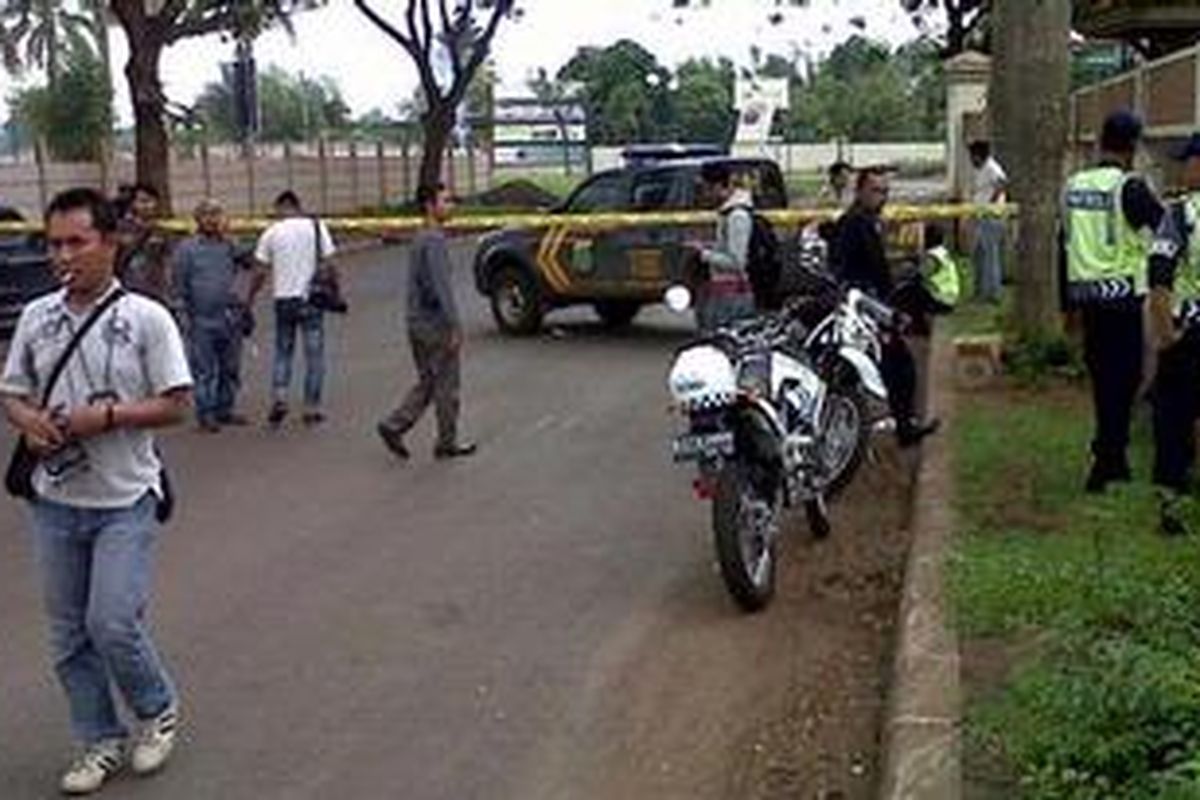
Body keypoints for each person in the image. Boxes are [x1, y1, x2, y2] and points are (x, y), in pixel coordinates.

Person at [0, 188, 192, 795]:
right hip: (55, 503)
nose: (63, 255)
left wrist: (106, 418)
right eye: (54, 243)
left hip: (125, 501)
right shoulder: (37, 317)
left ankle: (157, 707)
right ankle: (98, 740)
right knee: (67, 635)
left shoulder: (146, 319)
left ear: (110, 243)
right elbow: (13, 390)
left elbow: (177, 405)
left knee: (111, 620)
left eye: (77, 242)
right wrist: (26, 420)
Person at [1061, 110, 1165, 494]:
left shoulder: (1072, 185)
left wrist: (1066, 308)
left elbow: (1064, 245)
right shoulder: (1130, 187)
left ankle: (1112, 457)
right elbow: (1164, 228)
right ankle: (1107, 459)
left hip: (1086, 299)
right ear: (1132, 147)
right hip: (1121, 299)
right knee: (1126, 380)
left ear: (1102, 142)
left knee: (1105, 380)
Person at [830, 166, 939, 447]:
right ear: (861, 191)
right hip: (863, 308)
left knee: (892, 366)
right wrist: (886, 307)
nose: (882, 197)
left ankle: (901, 425)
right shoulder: (857, 223)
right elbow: (859, 270)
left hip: (868, 305)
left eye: (886, 191)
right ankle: (903, 427)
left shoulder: (863, 221)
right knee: (898, 366)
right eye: (876, 191)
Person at [377, 183, 476, 460]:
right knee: (447, 385)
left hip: (416, 321)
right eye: (445, 201)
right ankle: (446, 442)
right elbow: (440, 288)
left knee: (430, 382)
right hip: (434, 324)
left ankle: (394, 425)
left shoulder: (421, 237)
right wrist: (454, 325)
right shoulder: (434, 240)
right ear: (430, 206)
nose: (451, 206)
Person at [1145, 133, 1200, 535]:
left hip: (1190, 335)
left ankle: (1172, 504)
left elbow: (1160, 278)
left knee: (1173, 417)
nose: (1184, 169)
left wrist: (1165, 337)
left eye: (1188, 161)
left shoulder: (1182, 214)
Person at [172, 198, 260, 432]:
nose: (212, 219)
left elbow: (253, 262)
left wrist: (233, 237)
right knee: (204, 370)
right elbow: (178, 285)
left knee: (231, 368)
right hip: (201, 319)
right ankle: (206, 414)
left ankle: (225, 410)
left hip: (230, 316)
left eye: (217, 214)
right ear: (197, 219)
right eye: (207, 215)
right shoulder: (187, 249)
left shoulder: (230, 245)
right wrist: (182, 315)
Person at [254, 190, 338, 428]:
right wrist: (337, 290)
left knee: (283, 352)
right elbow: (331, 263)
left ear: (282, 207)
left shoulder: (271, 232)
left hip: (284, 300)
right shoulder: (316, 227)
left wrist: (250, 296)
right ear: (298, 206)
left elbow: (260, 270)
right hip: (311, 299)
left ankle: (280, 397)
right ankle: (311, 408)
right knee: (314, 356)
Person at [692, 161, 756, 332]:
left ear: (719, 186)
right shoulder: (727, 212)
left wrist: (704, 254)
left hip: (732, 295)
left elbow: (737, 262)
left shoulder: (737, 216)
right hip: (722, 291)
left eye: (705, 188)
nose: (704, 194)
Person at [115, 184, 173, 306]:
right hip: (129, 291)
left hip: (157, 294)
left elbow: (168, 263)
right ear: (133, 204)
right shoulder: (121, 228)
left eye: (150, 201)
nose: (146, 206)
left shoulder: (162, 230)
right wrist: (143, 233)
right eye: (142, 201)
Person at [969, 141, 1008, 303]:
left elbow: (1002, 183)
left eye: (973, 156)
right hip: (981, 216)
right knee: (978, 254)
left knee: (990, 256)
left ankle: (993, 293)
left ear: (979, 155)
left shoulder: (992, 167)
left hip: (991, 217)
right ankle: (980, 290)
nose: (971, 160)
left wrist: (990, 203)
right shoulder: (981, 169)